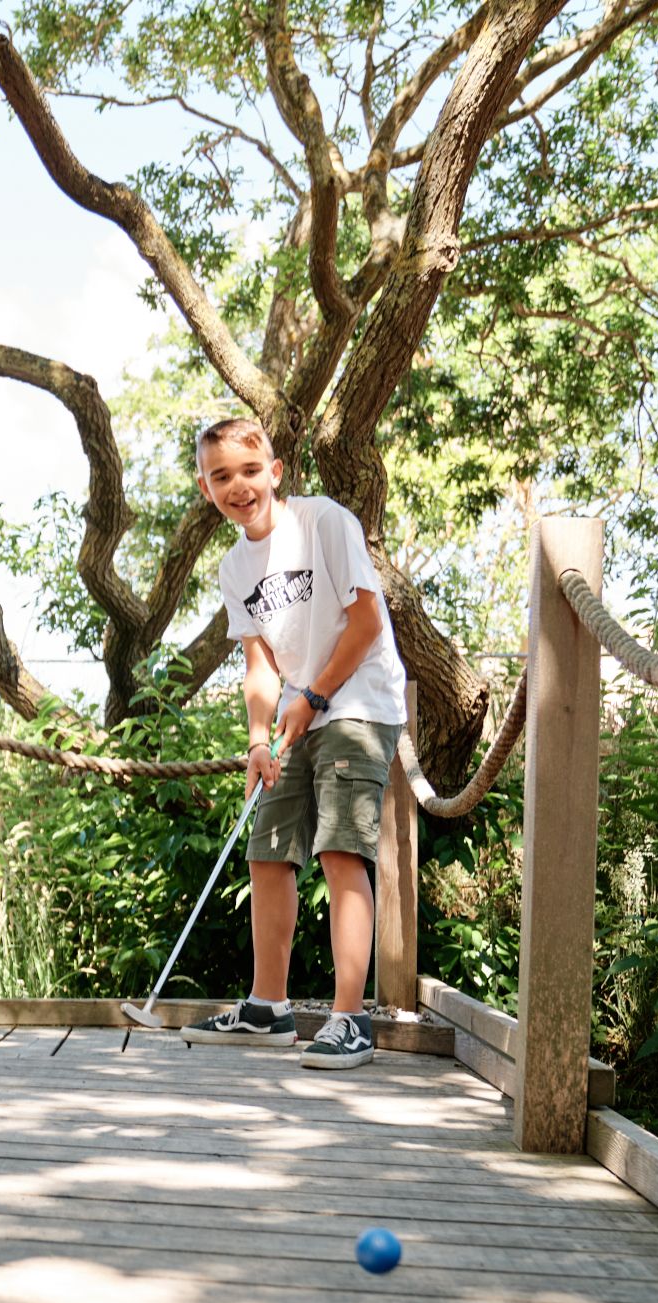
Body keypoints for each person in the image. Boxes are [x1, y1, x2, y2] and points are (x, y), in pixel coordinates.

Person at [184, 417, 410, 1069]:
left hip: (359, 700)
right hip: (297, 710)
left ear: (274, 472)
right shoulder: (234, 566)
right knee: (268, 852)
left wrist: (313, 698)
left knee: (341, 848)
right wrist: (259, 739)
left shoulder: (324, 523)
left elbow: (367, 621)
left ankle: (350, 1018)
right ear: (207, 488)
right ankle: (267, 1008)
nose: (238, 486)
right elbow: (259, 665)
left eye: (249, 471)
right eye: (221, 476)